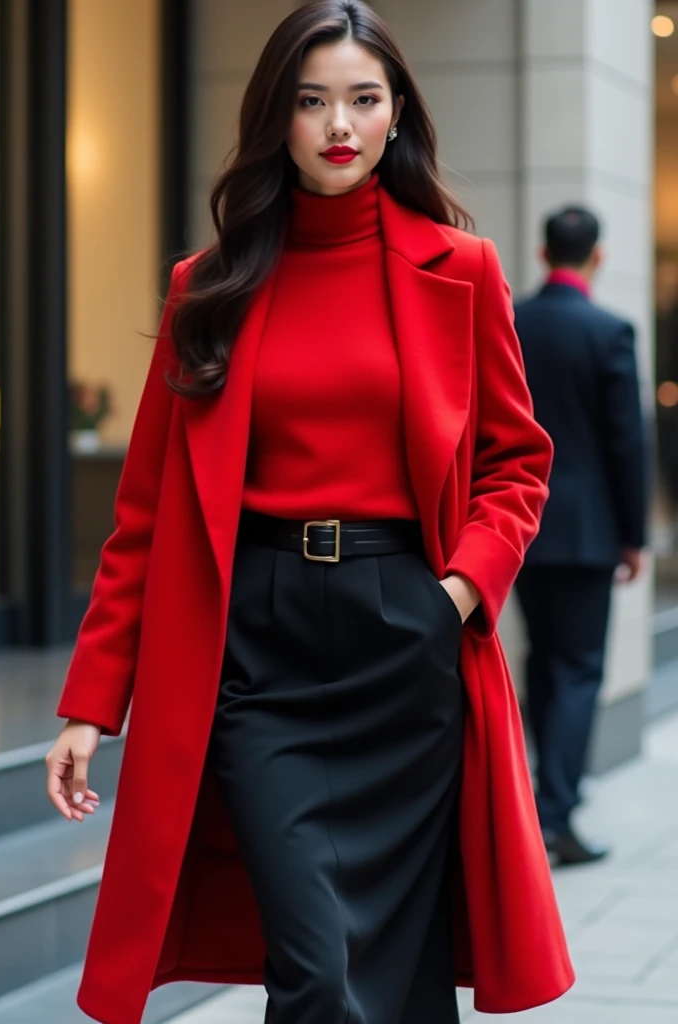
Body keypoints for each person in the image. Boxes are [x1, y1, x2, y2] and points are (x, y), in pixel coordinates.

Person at [45, 3, 574, 1022]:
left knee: (403, 972)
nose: (339, 125)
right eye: (311, 100)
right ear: (277, 118)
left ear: (395, 114)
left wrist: (457, 593)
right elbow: (145, 514)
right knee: (316, 966)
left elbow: (518, 462)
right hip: (258, 644)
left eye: (363, 100)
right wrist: (88, 701)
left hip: (404, 633)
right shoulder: (210, 287)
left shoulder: (459, 271)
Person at [514, 206, 648, 867]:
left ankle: (544, 800)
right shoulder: (609, 330)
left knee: (542, 662)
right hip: (591, 531)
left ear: (543, 255)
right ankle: (555, 815)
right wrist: (636, 536)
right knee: (577, 670)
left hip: (520, 525)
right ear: (596, 257)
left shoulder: (514, 323)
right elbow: (629, 442)